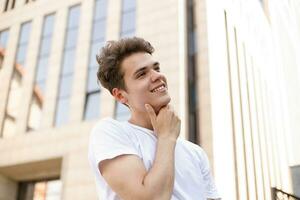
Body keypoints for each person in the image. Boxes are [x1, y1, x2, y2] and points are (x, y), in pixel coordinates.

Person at [88, 37, 221, 200]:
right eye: (142, 74)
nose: (157, 76)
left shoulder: (196, 153)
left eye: (156, 68)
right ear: (120, 95)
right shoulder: (110, 132)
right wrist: (166, 137)